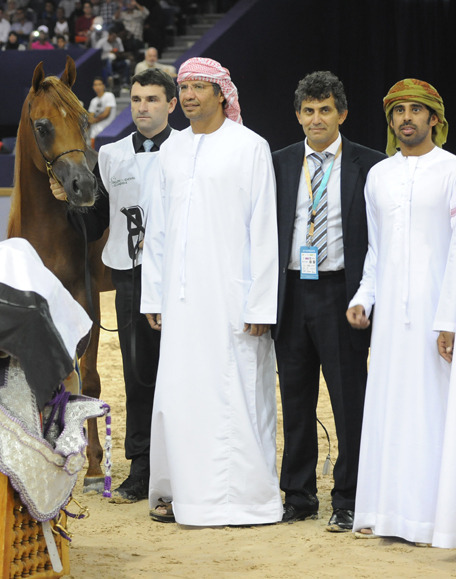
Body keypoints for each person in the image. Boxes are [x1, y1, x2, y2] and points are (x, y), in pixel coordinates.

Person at [140, 57, 281, 526]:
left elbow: (264, 231)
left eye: (200, 86)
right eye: (183, 87)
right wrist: (153, 295)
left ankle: (243, 500)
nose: (190, 95)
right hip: (180, 304)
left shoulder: (250, 147)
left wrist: (261, 302)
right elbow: (157, 230)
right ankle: (179, 491)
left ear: (223, 93)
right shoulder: (172, 152)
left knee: (234, 392)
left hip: (232, 300)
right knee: (179, 391)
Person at [49, 69, 176, 503]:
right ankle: (140, 468)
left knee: (182, 373)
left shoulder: (188, 149)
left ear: (171, 105)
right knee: (137, 374)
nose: (143, 107)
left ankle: (184, 464)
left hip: (182, 277)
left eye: (153, 99)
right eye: (137, 99)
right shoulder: (111, 155)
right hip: (130, 274)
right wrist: (68, 203)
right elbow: (97, 220)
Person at [272, 72, 384, 533]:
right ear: (298, 115)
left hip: (343, 294)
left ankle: (349, 498)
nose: (316, 118)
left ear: (342, 113)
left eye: (325, 109)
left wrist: (367, 296)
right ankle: (298, 496)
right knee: (295, 401)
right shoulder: (278, 164)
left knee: (348, 400)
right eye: (308, 110)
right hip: (291, 293)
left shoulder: (370, 165)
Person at [347, 79, 456, 545]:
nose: (406, 118)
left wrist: (448, 317)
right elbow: (377, 247)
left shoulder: (451, 170)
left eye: (416, 110)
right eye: (398, 111)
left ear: (435, 118)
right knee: (391, 407)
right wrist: (363, 297)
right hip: (390, 318)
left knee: (432, 411)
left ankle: (433, 517)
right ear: (390, 120)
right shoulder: (379, 176)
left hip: (438, 316)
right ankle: (387, 512)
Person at [87, 77, 117, 143]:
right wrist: (90, 121)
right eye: (95, 85)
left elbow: (106, 114)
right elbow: (90, 116)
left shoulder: (109, 95)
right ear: (93, 87)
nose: (97, 87)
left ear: (103, 86)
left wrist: (94, 120)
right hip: (94, 132)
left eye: (99, 84)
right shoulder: (93, 101)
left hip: (108, 130)